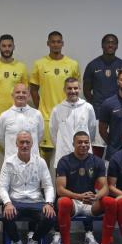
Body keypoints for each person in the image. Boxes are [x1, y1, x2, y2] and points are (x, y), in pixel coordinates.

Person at [49, 77, 97, 244]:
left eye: (76, 88)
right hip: (64, 159)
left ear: (80, 89)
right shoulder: (57, 110)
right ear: (64, 89)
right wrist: (65, 150)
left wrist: (82, 148)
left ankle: (89, 233)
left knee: (89, 194)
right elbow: (54, 133)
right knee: (60, 196)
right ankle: (57, 234)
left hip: (86, 158)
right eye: (69, 88)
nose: (73, 91)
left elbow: (91, 130)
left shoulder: (88, 107)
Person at [56, 131, 117, 244]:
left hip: (91, 202)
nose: (83, 145)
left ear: (89, 144)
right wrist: (78, 196)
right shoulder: (64, 161)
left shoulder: (97, 161)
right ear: (73, 144)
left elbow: (105, 187)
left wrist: (96, 197)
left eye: (86, 142)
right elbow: (60, 189)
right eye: (80, 142)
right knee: (63, 202)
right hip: (73, 201)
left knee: (110, 202)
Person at [0, 131, 55, 244]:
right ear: (16, 144)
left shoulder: (40, 162)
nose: (24, 145)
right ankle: (17, 243)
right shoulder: (9, 162)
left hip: (36, 202)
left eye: (27, 142)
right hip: (15, 202)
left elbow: (48, 186)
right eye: (22, 142)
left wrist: (49, 203)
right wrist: (7, 203)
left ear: (32, 144)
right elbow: (2, 187)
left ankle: (34, 241)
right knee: (6, 214)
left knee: (50, 216)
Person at [30, 31, 80, 159]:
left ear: (62, 44)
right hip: (46, 117)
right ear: (48, 44)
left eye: (58, 42)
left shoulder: (72, 64)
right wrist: (40, 107)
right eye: (53, 42)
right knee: (45, 157)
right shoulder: (39, 64)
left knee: (68, 155)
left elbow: (75, 89)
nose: (56, 44)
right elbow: (33, 89)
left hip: (67, 117)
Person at [83, 34, 122, 157]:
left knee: (118, 149)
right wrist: (97, 104)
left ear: (117, 46)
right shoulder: (92, 65)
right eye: (107, 42)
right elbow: (87, 90)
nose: (110, 45)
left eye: (113, 42)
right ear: (102, 45)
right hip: (98, 114)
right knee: (97, 150)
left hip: (119, 114)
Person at [0, 34, 28, 155]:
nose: (7, 48)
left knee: (15, 152)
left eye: (9, 46)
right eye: (4, 46)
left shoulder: (21, 67)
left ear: (14, 47)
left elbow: (24, 91)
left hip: (16, 117)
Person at [0, 83, 43, 159]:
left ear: (28, 95)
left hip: (32, 161)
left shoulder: (37, 114)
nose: (21, 95)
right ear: (12, 95)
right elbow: (1, 139)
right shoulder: (4, 116)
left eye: (24, 92)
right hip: (11, 161)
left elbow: (39, 136)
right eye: (18, 92)